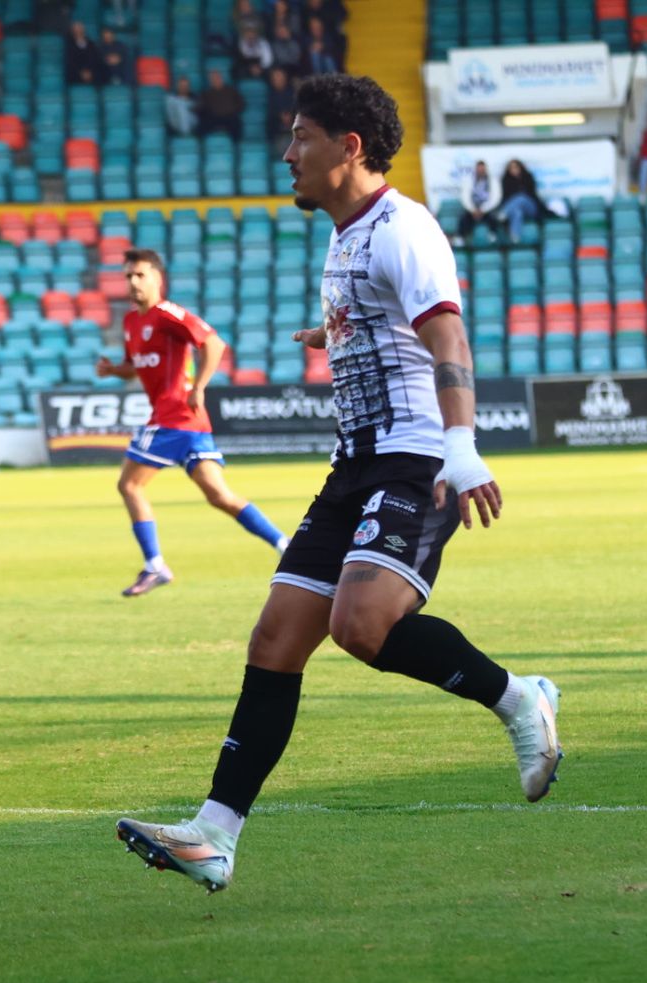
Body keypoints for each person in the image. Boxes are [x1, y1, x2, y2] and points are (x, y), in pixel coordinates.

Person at [114, 73, 561, 894]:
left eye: (300, 138)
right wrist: (337, 332)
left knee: (362, 625)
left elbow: (447, 330)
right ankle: (215, 834)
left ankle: (518, 697)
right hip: (354, 462)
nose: (287, 154)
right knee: (276, 639)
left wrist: (460, 446)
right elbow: (384, 313)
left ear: (347, 148)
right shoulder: (348, 230)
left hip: (417, 457)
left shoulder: (404, 227)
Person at [95, 249, 291, 597]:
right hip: (189, 423)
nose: (133, 282)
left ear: (157, 278)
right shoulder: (131, 322)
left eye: (140, 275)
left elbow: (213, 343)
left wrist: (199, 386)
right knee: (219, 496)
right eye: (128, 276)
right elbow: (136, 365)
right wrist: (113, 371)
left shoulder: (168, 314)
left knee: (130, 486)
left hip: (173, 416)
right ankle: (285, 546)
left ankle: (155, 564)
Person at [496, 159, 546, 244]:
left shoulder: (528, 177)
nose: (514, 170)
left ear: (520, 167)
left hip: (530, 207)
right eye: (511, 168)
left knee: (521, 197)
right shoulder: (506, 180)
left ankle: (504, 213)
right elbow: (506, 198)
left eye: (516, 167)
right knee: (517, 212)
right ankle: (515, 237)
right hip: (515, 208)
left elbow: (533, 194)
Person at [454, 159, 501, 245]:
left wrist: (483, 209)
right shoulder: (469, 181)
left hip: (487, 209)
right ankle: (461, 238)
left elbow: (495, 198)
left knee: (493, 217)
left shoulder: (493, 181)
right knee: (463, 218)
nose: (480, 171)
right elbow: (465, 197)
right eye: (478, 169)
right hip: (473, 209)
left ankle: (493, 236)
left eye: (482, 169)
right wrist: (473, 210)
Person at [197, 69, 246, 139]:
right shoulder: (207, 93)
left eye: (217, 78)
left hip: (229, 117)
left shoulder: (231, 91)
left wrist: (233, 110)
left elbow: (241, 103)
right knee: (202, 126)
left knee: (236, 123)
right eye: (212, 79)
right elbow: (201, 107)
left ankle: (237, 145)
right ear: (210, 81)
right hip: (214, 117)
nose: (215, 80)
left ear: (221, 78)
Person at [266, 66, 295, 146]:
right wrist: (280, 115)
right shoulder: (270, 94)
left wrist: (290, 115)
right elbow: (271, 109)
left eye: (280, 77)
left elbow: (296, 106)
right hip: (276, 122)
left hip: (292, 119)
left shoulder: (292, 91)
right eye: (276, 78)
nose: (278, 80)